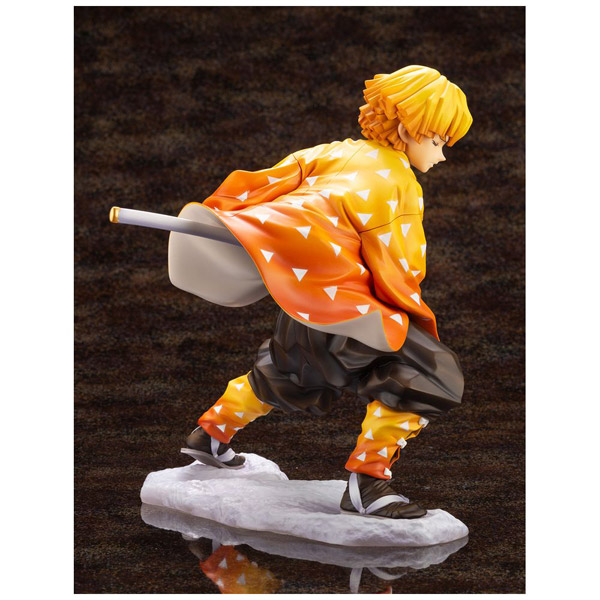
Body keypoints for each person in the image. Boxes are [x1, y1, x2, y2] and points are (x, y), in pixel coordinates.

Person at [169, 65, 473, 518]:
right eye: (438, 141)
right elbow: (400, 263)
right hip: (350, 308)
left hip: (301, 299)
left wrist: (232, 224)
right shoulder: (398, 182)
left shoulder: (330, 152)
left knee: (287, 370)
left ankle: (210, 435)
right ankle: (367, 483)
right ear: (410, 129)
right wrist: (409, 311)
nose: (442, 155)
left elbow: (263, 185)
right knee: (430, 374)